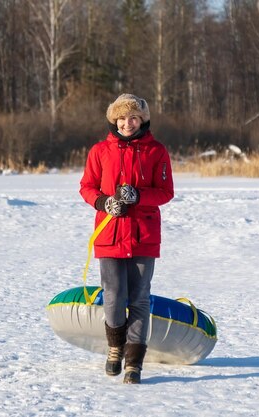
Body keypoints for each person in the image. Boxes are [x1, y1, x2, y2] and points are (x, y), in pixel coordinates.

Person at [79, 93, 174, 384]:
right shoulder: (99, 151)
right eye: (121, 118)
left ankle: (134, 363)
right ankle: (114, 348)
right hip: (109, 235)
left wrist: (139, 196)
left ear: (142, 119)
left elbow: (166, 191)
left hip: (143, 235)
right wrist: (104, 202)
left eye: (133, 117)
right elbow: (86, 187)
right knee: (113, 296)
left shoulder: (156, 151)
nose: (127, 123)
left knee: (140, 298)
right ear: (114, 120)